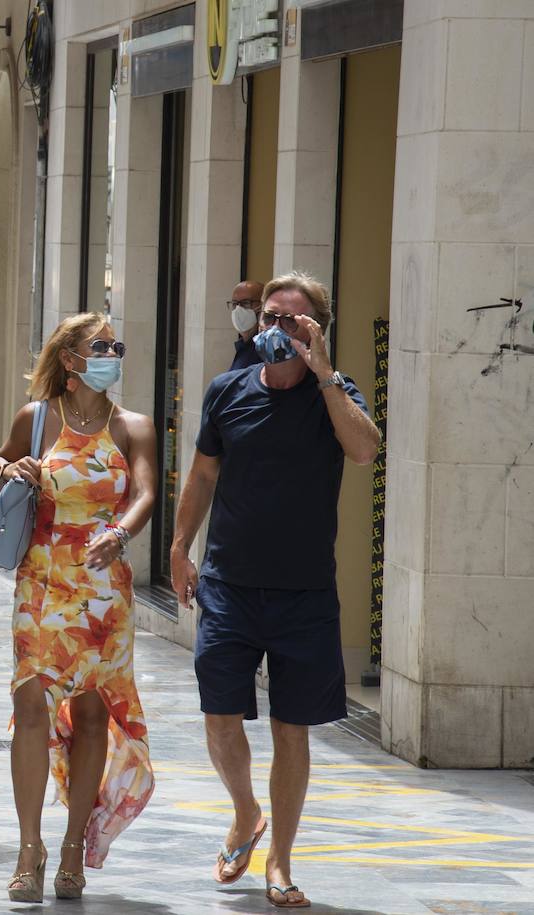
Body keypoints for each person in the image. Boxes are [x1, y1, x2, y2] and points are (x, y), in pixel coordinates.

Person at [170, 272, 380, 910]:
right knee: (219, 715)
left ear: (316, 327)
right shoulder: (227, 390)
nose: (277, 331)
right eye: (269, 318)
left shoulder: (334, 395)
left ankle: (280, 863)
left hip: (304, 594)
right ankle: (244, 812)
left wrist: (323, 375)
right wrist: (180, 549)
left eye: (293, 320)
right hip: (229, 583)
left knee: (294, 730)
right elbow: (203, 474)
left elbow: (367, 450)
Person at [0, 313, 158, 902]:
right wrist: (11, 468)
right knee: (31, 704)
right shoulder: (36, 419)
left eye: (118, 345)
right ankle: (27, 847)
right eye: (101, 346)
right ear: (70, 358)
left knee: (90, 717)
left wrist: (122, 533)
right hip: (41, 580)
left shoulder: (132, 425)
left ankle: (71, 846)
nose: (113, 353)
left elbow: (145, 493)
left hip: (104, 587)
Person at [227, 280, 264, 371]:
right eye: (234, 304)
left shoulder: (264, 350)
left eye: (246, 303)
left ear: (263, 305)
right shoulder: (243, 346)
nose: (238, 309)